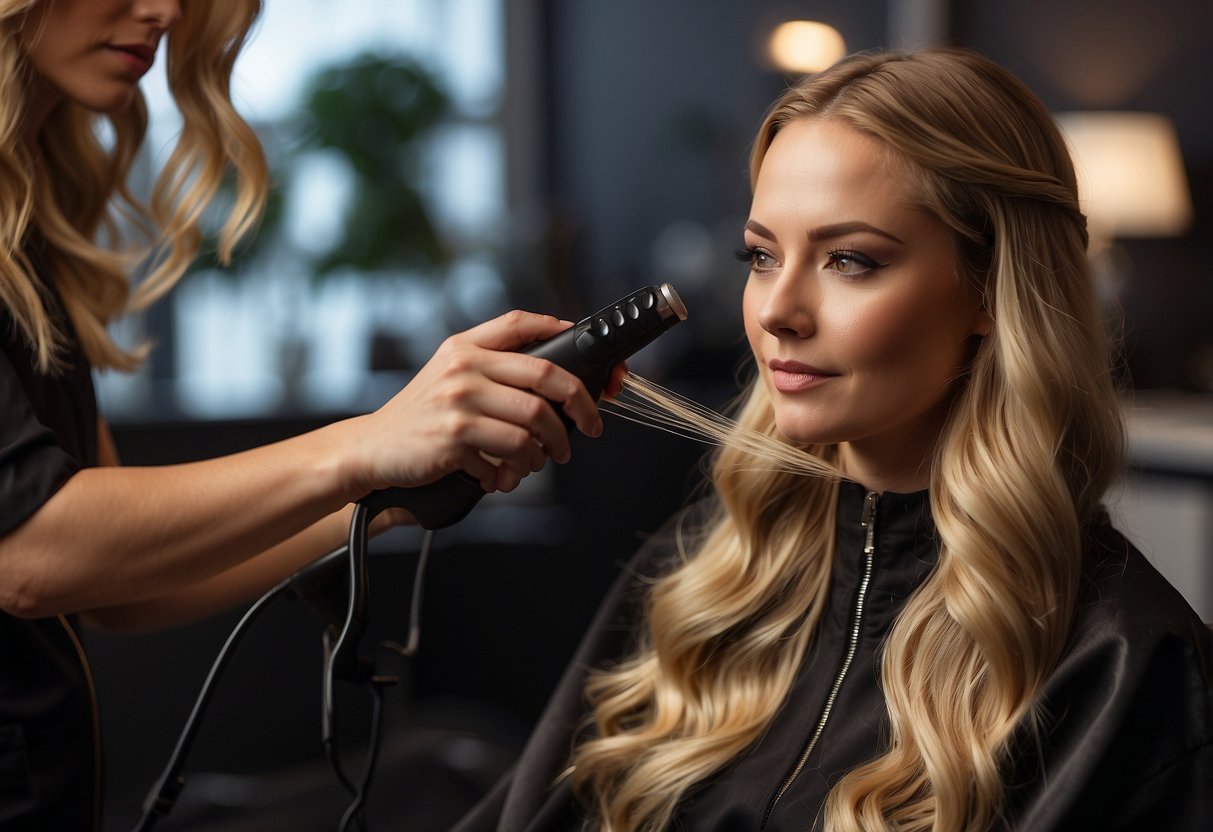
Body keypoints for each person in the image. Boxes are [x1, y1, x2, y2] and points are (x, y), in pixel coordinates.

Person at [452, 48, 1213, 831]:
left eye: (849, 260)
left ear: (991, 286)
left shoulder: (1121, 666)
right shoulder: (703, 583)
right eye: (760, 255)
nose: (776, 309)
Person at [0, 1, 615, 828]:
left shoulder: (25, 226)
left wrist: (393, 497)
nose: (165, 11)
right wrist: (368, 442)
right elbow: (31, 554)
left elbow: (114, 588)